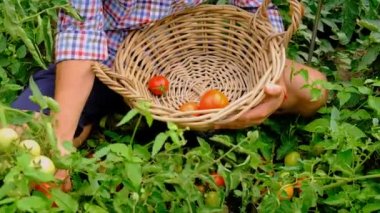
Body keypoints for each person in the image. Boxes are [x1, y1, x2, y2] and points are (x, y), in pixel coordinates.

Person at [11, 0, 328, 190]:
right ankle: (95, 114)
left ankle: (108, 118)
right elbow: (81, 33)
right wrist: (61, 141)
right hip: (106, 62)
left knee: (311, 89)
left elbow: (253, 9)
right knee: (19, 139)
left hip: (194, 56)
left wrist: (263, 86)